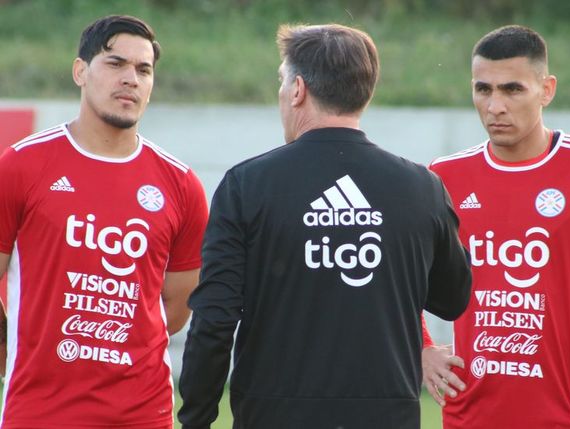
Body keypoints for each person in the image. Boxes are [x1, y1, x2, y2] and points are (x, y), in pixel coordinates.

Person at [178, 23, 471, 429]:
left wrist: (196, 417)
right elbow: (452, 298)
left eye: (282, 82)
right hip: (387, 415)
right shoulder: (422, 187)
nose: (281, 94)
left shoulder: (248, 185)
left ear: (297, 89)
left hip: (274, 415)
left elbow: (214, 319)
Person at [0, 15, 208, 428]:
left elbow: (179, 304)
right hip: (39, 412)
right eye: (115, 64)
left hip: (142, 414)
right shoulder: (21, 166)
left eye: (143, 70)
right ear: (80, 71)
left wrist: (113, 345)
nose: (130, 78)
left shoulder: (181, 184)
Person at [422, 24, 570, 428]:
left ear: (547, 89)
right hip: (471, 415)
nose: (495, 105)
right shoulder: (445, 176)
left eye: (512, 89)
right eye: (483, 89)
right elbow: (398, 272)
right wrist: (422, 348)